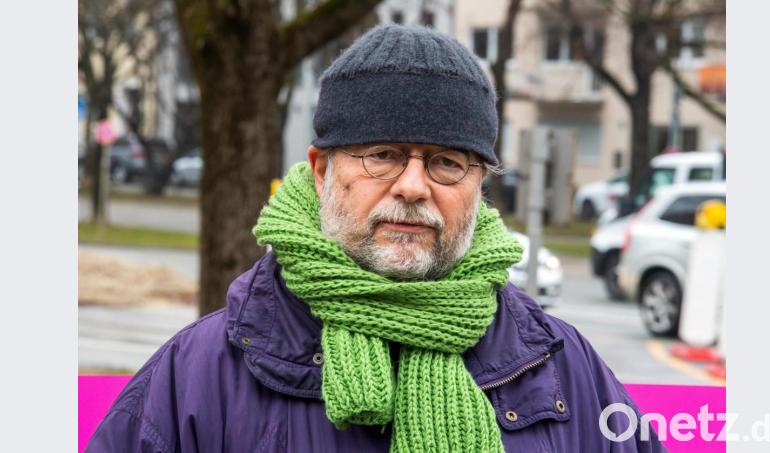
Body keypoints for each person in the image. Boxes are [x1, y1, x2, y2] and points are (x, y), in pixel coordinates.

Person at [87, 24, 664, 453]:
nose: (413, 186)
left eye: (446, 162)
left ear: (481, 184)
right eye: (383, 155)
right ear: (321, 170)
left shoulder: (565, 370)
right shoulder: (199, 376)